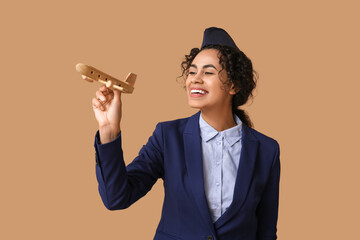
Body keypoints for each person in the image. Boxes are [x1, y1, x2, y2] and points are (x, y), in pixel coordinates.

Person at [92, 27, 280, 240]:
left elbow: (266, 231)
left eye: (208, 72)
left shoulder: (267, 149)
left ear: (234, 86)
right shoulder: (167, 136)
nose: (195, 79)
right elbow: (116, 198)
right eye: (192, 71)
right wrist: (108, 129)